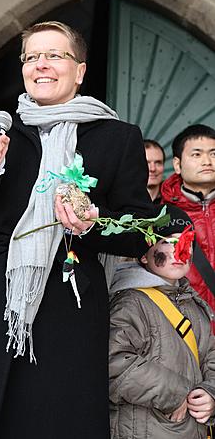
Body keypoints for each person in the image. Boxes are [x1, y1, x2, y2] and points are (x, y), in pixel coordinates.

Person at [0, 21, 155, 439]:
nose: (41, 65)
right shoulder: (1, 135)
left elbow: (140, 231)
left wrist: (92, 221)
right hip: (0, 297)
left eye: (54, 55)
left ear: (80, 70)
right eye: (31, 57)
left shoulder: (116, 138)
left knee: (55, 420)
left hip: (72, 303)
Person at [109, 205, 215, 438]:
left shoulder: (194, 304)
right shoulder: (130, 302)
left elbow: (211, 356)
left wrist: (211, 393)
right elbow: (114, 363)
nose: (180, 252)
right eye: (167, 242)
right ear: (144, 254)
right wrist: (176, 394)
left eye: (186, 242)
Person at [161, 124, 215, 330]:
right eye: (196, 154)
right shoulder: (162, 216)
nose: (207, 161)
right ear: (177, 164)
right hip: (184, 329)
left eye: (213, 153)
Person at [144, 139, 165, 203]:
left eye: (158, 163)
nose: (152, 169)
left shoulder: (174, 201)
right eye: (146, 163)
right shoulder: (120, 201)